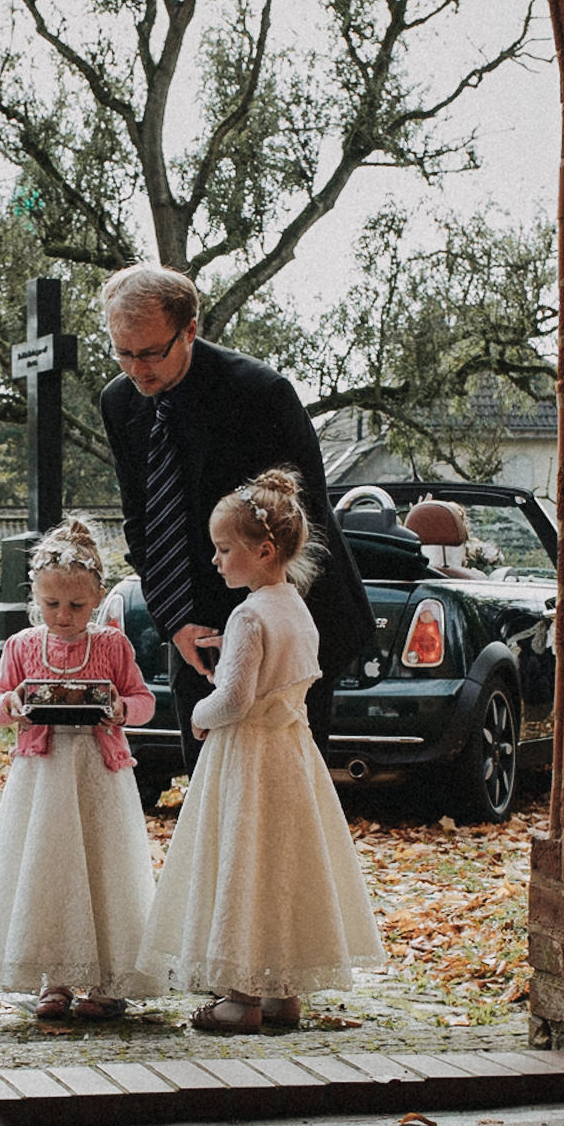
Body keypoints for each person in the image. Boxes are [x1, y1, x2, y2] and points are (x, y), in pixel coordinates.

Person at [138, 472, 385, 1035]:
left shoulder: (247, 614)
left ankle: (240, 995)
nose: (217, 561)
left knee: (241, 861)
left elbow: (235, 699)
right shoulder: (293, 605)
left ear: (264, 551)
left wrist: (199, 717)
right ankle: (284, 994)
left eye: (226, 550)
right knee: (282, 864)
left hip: (248, 758)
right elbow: (285, 668)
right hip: (292, 755)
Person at [95, 267, 371, 759]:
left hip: (286, 623)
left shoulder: (261, 394)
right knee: (209, 792)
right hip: (193, 628)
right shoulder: (119, 403)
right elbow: (142, 522)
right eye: (123, 353)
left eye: (151, 352)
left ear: (190, 331)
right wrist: (175, 620)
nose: (137, 369)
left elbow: (301, 521)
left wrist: (254, 630)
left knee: (281, 798)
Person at [0, 516, 159, 1020]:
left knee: (100, 864)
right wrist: (15, 703)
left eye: (77, 605)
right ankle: (55, 976)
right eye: (51, 605)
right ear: (35, 597)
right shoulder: (22, 646)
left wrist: (119, 708)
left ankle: (110, 980)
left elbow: (143, 699)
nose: (63, 616)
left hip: (97, 774)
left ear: (98, 599)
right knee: (47, 866)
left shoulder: (112, 644)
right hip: (42, 776)